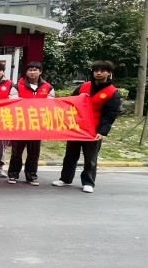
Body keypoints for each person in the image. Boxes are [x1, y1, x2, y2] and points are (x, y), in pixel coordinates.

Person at [52, 61, 121, 193]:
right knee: (70, 155)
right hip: (76, 127)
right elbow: (70, 103)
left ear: (109, 73)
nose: (98, 73)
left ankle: (88, 182)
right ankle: (66, 179)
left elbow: (110, 115)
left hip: (93, 130)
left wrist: (102, 131)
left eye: (102, 71)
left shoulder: (112, 92)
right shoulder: (83, 87)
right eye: (96, 70)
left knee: (90, 158)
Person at [7, 62, 55, 186]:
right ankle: (13, 175)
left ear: (40, 72)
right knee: (16, 152)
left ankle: (31, 176)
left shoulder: (48, 87)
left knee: (34, 153)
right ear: (26, 72)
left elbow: (51, 105)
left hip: (36, 125)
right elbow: (11, 103)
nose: (32, 72)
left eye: (35, 70)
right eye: (30, 70)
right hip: (20, 124)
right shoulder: (17, 87)